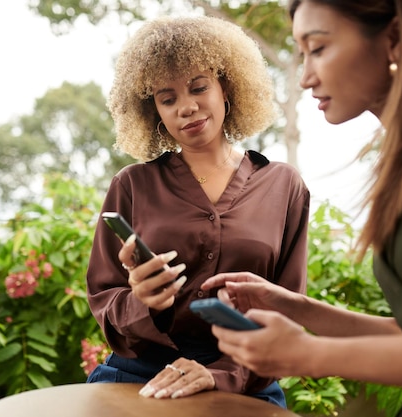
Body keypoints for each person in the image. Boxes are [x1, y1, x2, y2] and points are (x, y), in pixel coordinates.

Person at [201, 1, 402, 416]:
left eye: (317, 48)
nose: (304, 78)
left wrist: (308, 355)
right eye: (302, 55)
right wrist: (293, 306)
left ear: (392, 38)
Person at [84, 15, 310, 407]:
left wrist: (222, 372)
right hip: (138, 374)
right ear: (154, 112)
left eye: (198, 87)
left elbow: (288, 306)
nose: (186, 108)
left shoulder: (284, 186)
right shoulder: (132, 185)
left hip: (243, 375)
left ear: (227, 87)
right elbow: (103, 296)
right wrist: (143, 300)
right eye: (167, 99)